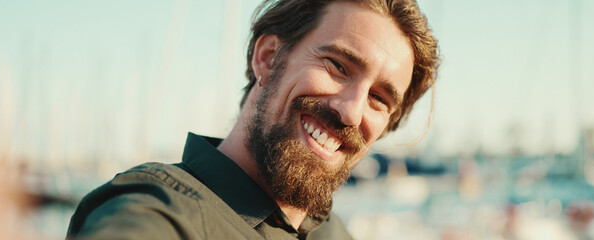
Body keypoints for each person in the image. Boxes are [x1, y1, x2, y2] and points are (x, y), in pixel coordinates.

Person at [66, 0, 439, 239]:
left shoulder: (333, 233)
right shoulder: (159, 211)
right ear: (268, 57)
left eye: (379, 98)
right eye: (338, 66)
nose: (352, 111)